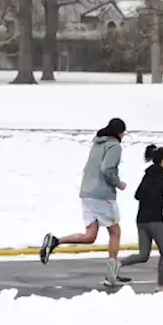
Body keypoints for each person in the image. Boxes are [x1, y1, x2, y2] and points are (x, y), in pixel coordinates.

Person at [40, 118, 129, 287]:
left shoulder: (97, 143)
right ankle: (112, 274)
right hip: (102, 194)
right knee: (115, 232)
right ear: (119, 133)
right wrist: (119, 183)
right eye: (123, 133)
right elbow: (106, 169)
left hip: (86, 192)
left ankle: (55, 241)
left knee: (90, 236)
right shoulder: (114, 146)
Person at [119, 145, 163, 290]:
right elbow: (156, 196)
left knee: (143, 255)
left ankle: (118, 264)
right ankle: (160, 285)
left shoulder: (147, 175)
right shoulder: (160, 176)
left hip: (141, 220)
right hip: (155, 220)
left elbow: (137, 195)